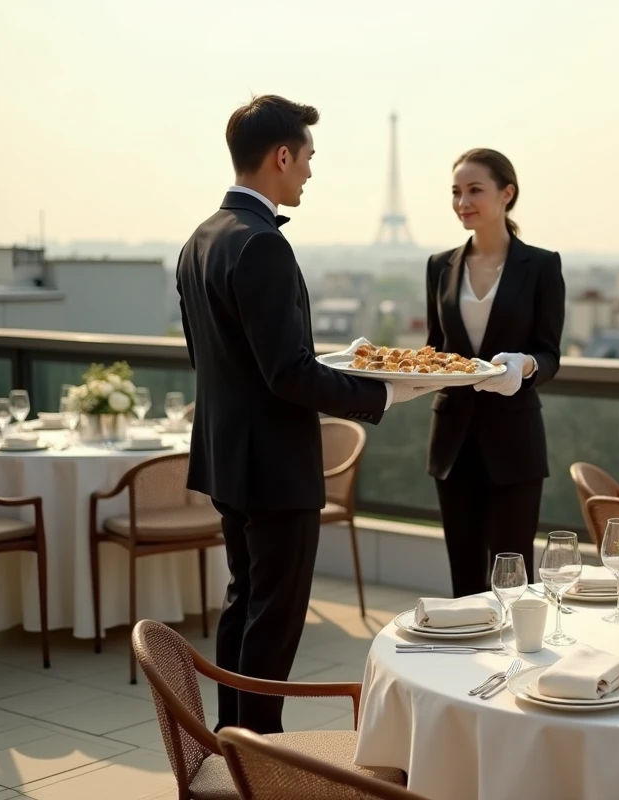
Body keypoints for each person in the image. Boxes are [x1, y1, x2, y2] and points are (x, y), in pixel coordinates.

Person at [176, 95, 430, 733]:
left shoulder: (199, 239)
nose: (311, 172)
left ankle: (231, 743)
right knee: (275, 619)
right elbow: (286, 373)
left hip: (227, 459)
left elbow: (218, 360)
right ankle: (259, 754)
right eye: (308, 157)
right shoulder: (262, 246)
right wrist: (384, 393)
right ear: (281, 156)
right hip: (274, 468)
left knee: (244, 606)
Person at [426, 149, 566, 597]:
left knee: (512, 578)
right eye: (456, 192)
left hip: (515, 442)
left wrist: (525, 365)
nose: (462, 201)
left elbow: (549, 354)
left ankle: (516, 666)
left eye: (474, 190)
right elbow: (437, 351)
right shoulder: (438, 266)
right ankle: (463, 665)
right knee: (463, 578)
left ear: (507, 194)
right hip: (453, 441)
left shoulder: (542, 266)